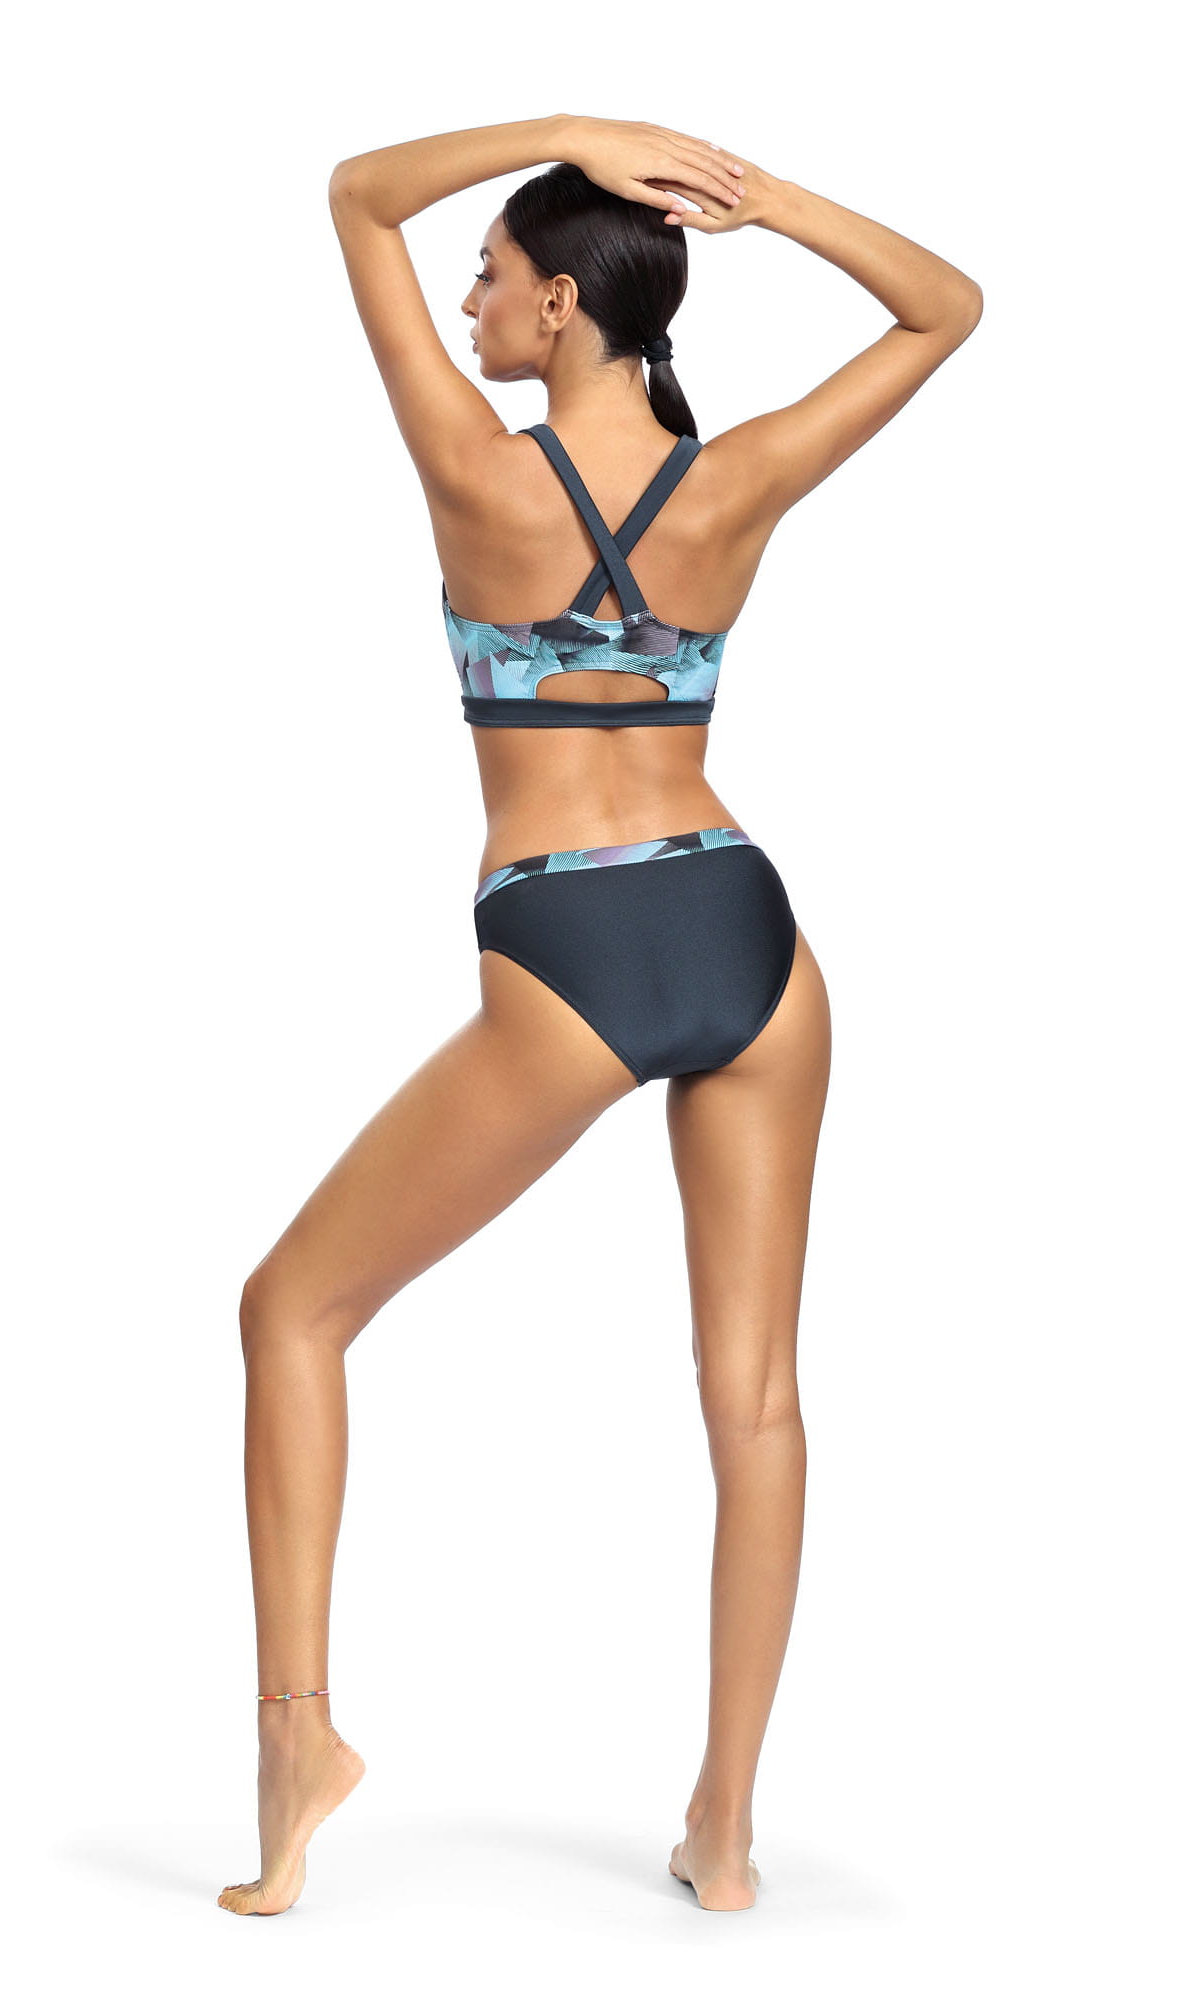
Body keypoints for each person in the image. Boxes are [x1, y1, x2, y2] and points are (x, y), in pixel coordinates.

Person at [218, 115, 982, 1918]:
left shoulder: (474, 474)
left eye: (490, 274)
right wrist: (767, 203)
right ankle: (723, 1834)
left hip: (576, 940)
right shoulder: (736, 481)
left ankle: (296, 1743)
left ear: (560, 304)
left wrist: (569, 133)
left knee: (291, 1312)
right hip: (746, 926)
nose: (469, 299)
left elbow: (352, 194)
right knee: (756, 1399)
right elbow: (945, 309)